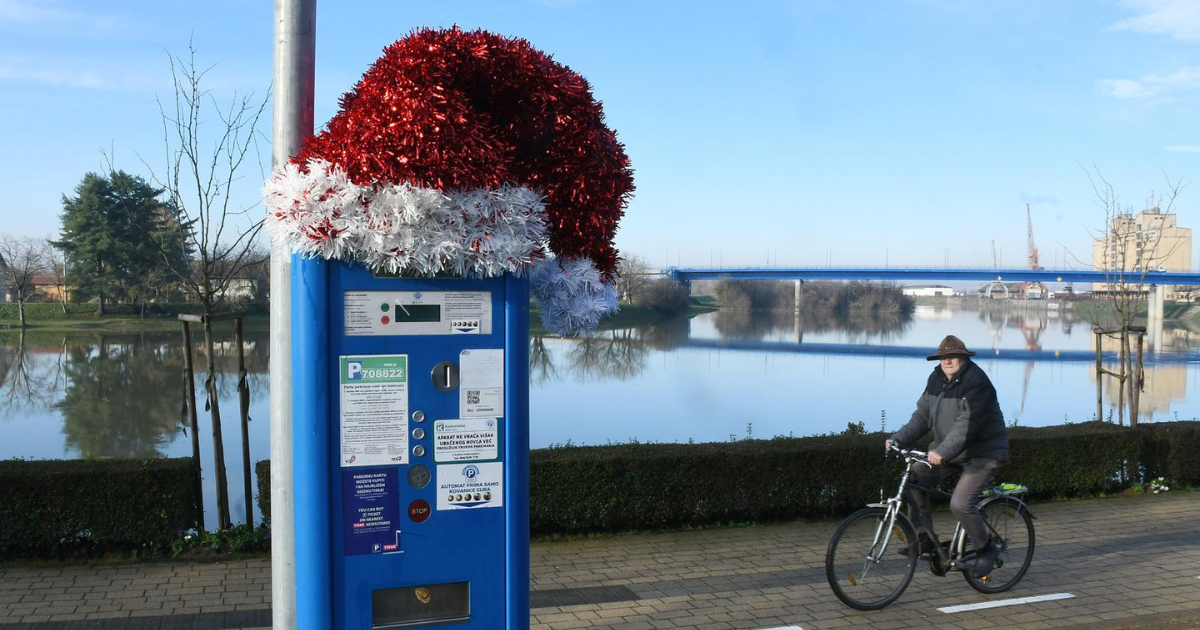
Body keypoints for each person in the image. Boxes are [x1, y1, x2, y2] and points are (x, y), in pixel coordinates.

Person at [885, 335, 1009, 578]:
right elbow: (921, 416)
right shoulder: (936, 379)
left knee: (960, 504)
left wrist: (942, 452)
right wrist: (898, 439)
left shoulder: (977, 383)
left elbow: (967, 426)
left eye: (953, 356)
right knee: (913, 481)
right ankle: (923, 538)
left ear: (964, 358)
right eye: (943, 357)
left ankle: (986, 549)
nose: (947, 361)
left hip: (983, 454)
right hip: (951, 451)